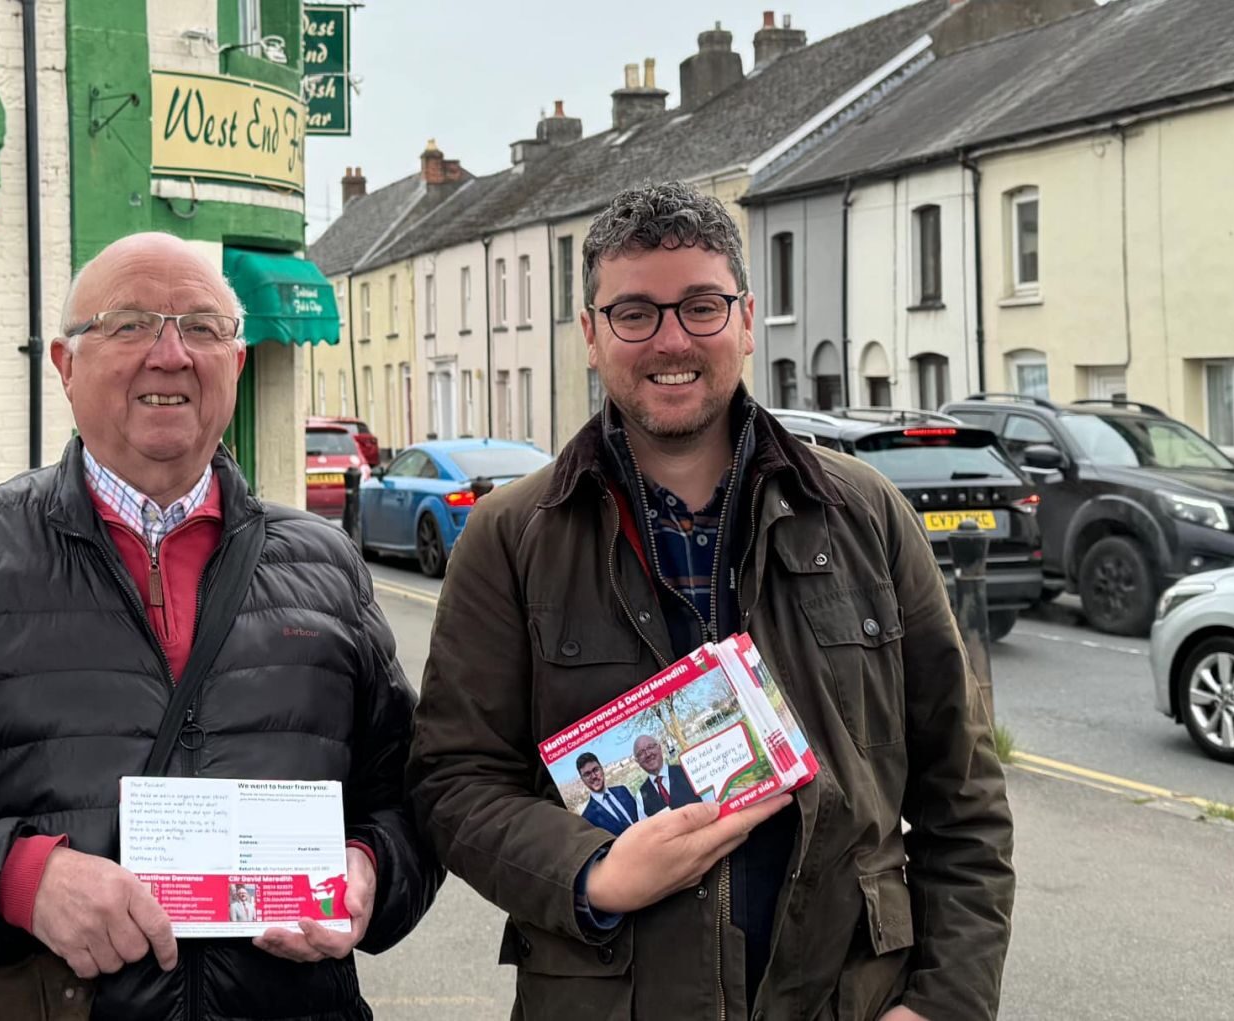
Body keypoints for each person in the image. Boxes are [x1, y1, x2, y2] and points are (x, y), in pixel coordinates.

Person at [0, 232, 439, 1020]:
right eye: (129, 324)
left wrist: (369, 871)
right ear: (64, 365)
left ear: (235, 364)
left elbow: (414, 801)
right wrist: (22, 882)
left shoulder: (326, 565)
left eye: (201, 327)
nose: (170, 354)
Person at [407, 182, 1014, 1021]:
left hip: (850, 999)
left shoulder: (868, 515)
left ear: (747, 318)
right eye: (634, 314)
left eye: (700, 307)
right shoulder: (510, 539)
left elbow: (964, 798)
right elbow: (454, 782)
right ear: (589, 333)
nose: (670, 341)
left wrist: (945, 1003)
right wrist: (592, 871)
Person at [631, 734, 702, 815]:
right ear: (637, 761)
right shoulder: (641, 797)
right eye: (641, 753)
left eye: (650, 747)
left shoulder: (687, 771)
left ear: (659, 748)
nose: (648, 754)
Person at [575, 752, 639, 836]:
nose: (594, 776)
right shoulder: (588, 818)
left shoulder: (623, 791)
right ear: (582, 779)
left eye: (595, 770)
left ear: (602, 769)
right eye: (587, 774)